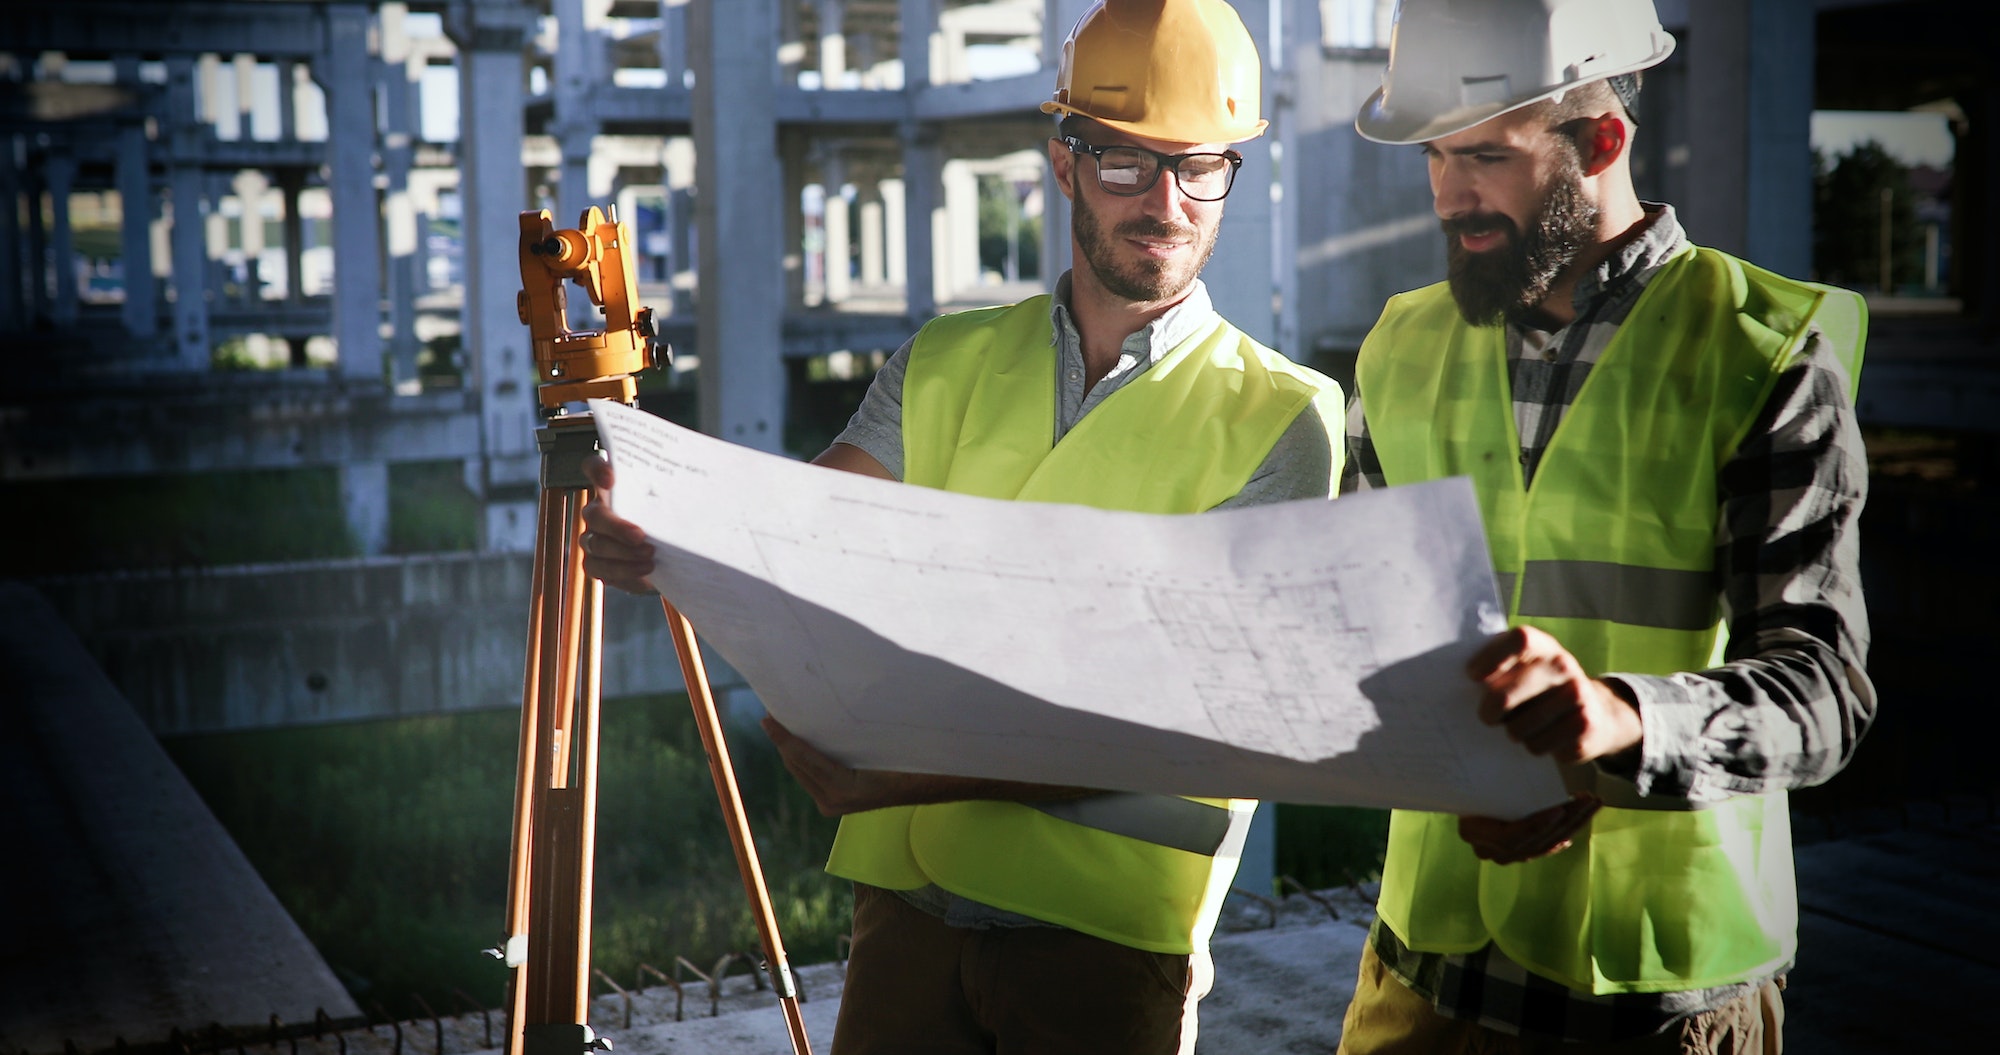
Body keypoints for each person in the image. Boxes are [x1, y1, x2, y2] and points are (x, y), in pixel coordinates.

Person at [579, 2, 1343, 1051]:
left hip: (1107, 938)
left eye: (1197, 166)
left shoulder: (1284, 413)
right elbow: (801, 535)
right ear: (1064, 164)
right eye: (1125, 164)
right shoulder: (946, 358)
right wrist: (671, 529)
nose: (1165, 202)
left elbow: (1190, 710)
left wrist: (900, 774)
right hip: (907, 915)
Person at [1331, 1, 1874, 1052]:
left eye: (1484, 155)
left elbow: (1821, 693)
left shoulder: (1758, 352)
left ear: (1602, 140)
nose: (1449, 197)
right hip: (1419, 977)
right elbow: (1360, 628)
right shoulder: (1397, 346)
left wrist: (1621, 724)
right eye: (1434, 158)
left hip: (1659, 1003)